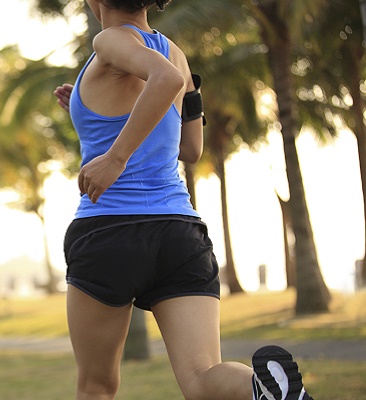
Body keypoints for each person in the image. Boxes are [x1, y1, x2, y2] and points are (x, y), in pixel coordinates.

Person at [53, 1, 314, 399]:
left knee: (96, 386)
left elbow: (166, 81)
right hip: (179, 235)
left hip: (109, 232)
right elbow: (191, 147)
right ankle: (261, 388)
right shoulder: (173, 49)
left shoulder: (109, 39)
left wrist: (115, 159)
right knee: (202, 376)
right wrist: (86, 103)